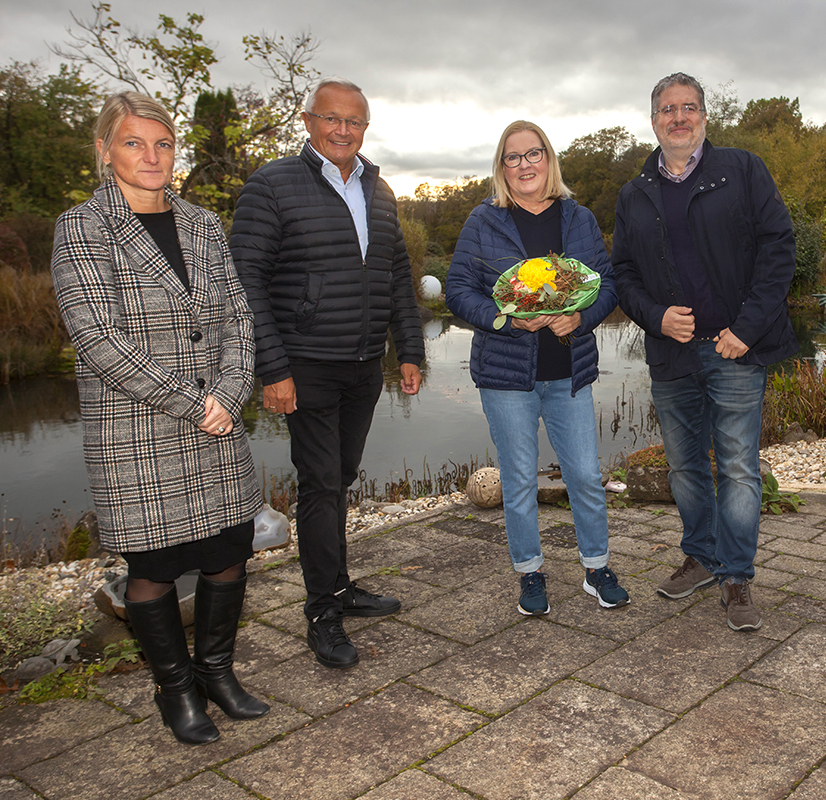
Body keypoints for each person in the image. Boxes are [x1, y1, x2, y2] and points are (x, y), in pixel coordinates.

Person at [52, 92, 268, 744]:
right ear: (104, 150)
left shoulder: (204, 225)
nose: (151, 156)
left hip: (217, 424)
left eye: (163, 143)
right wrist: (195, 403)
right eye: (133, 143)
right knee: (153, 570)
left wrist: (229, 396)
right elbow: (100, 340)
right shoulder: (81, 228)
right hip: (138, 431)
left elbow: (237, 320)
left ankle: (218, 671)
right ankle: (176, 691)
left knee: (229, 553)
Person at [231, 78, 425, 669]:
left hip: (365, 365)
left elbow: (396, 276)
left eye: (355, 122)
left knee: (338, 477)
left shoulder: (379, 188)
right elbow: (246, 283)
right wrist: (274, 367)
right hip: (306, 363)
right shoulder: (272, 185)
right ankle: (322, 611)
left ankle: (338, 584)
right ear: (309, 120)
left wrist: (410, 349)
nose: (343, 130)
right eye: (331, 119)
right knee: (319, 482)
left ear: (366, 127)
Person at [612, 73, 798, 631]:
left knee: (738, 467)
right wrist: (655, 317)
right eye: (667, 109)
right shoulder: (634, 192)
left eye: (689, 107)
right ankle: (701, 555)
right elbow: (622, 271)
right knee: (685, 466)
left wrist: (747, 326)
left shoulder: (741, 170)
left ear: (704, 117)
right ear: (653, 121)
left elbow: (778, 247)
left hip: (734, 347)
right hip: (673, 352)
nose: (678, 117)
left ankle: (737, 576)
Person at [446, 120, 629, 616]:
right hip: (507, 377)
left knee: (586, 476)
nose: (524, 165)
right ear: (501, 167)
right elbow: (458, 290)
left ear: (549, 160)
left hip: (568, 372)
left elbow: (607, 284)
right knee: (520, 479)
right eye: (513, 157)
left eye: (533, 154)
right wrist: (506, 321)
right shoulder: (483, 222)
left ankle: (597, 568)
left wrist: (581, 316)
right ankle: (529, 573)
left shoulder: (579, 218)